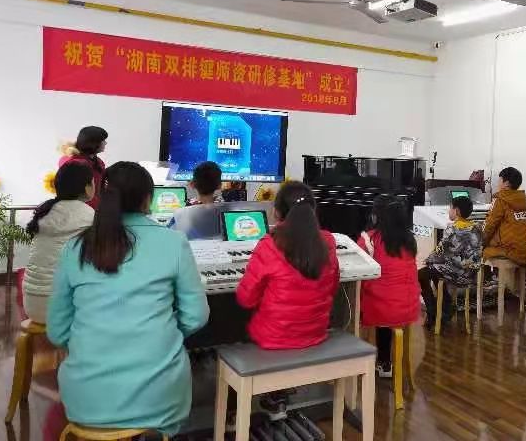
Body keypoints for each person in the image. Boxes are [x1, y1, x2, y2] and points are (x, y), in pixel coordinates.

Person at [47, 162, 209, 435]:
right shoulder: (173, 242)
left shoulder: (74, 248)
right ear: (148, 199)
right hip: (160, 401)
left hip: (85, 402)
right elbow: (196, 315)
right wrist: (162, 334)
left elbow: (57, 331)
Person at [236, 181, 339, 349]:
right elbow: (332, 288)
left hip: (273, 337)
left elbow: (245, 299)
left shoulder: (269, 244)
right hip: (315, 333)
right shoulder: (328, 241)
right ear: (312, 211)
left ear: (276, 212)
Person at [23, 162, 95, 324]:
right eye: (93, 182)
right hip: (64, 307)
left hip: (32, 305)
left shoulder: (45, 212)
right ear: (87, 187)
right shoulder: (88, 215)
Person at [357, 195, 420, 377]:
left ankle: (364, 361)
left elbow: (359, 266)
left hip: (383, 309)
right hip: (410, 307)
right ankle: (385, 362)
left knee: (363, 298)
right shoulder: (410, 240)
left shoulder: (370, 240)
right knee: (387, 297)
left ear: (376, 216)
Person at [419, 195, 482, 328]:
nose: (449, 211)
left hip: (456, 274)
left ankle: (433, 311)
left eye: (450, 208)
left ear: (456, 211)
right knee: (434, 270)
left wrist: (428, 260)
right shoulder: (477, 228)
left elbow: (440, 251)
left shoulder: (452, 228)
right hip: (471, 274)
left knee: (421, 274)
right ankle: (446, 307)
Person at [483, 167, 526, 266]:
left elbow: (489, 225)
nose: (498, 183)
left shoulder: (500, 199)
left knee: (479, 251)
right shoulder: (524, 199)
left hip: (508, 251)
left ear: (506, 183)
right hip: (525, 252)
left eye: (499, 180)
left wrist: (480, 242)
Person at [170, 161, 223, 239]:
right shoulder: (226, 210)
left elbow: (169, 232)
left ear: (192, 184)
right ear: (220, 185)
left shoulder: (182, 211)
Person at [59, 126, 108, 209]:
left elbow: (101, 187)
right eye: (102, 140)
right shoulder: (73, 163)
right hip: (78, 210)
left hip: (95, 209)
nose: (105, 143)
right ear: (93, 143)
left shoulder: (99, 162)